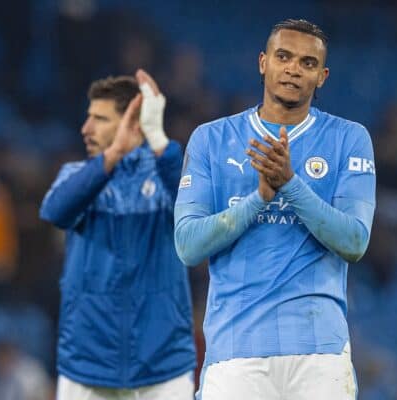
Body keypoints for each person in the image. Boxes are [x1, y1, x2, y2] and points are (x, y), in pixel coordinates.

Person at [175, 19, 376, 400]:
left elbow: (354, 240)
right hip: (236, 354)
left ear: (322, 77)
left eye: (307, 63)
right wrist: (258, 199)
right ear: (263, 62)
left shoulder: (349, 139)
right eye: (284, 57)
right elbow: (187, 245)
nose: (293, 69)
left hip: (319, 354)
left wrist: (290, 185)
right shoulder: (212, 140)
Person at [40, 70, 196, 400]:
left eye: (99, 119)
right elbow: (56, 211)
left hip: (163, 365)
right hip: (87, 365)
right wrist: (111, 157)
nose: (86, 129)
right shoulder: (77, 176)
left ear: (132, 123)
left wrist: (157, 138)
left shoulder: (171, 175)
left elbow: (192, 210)